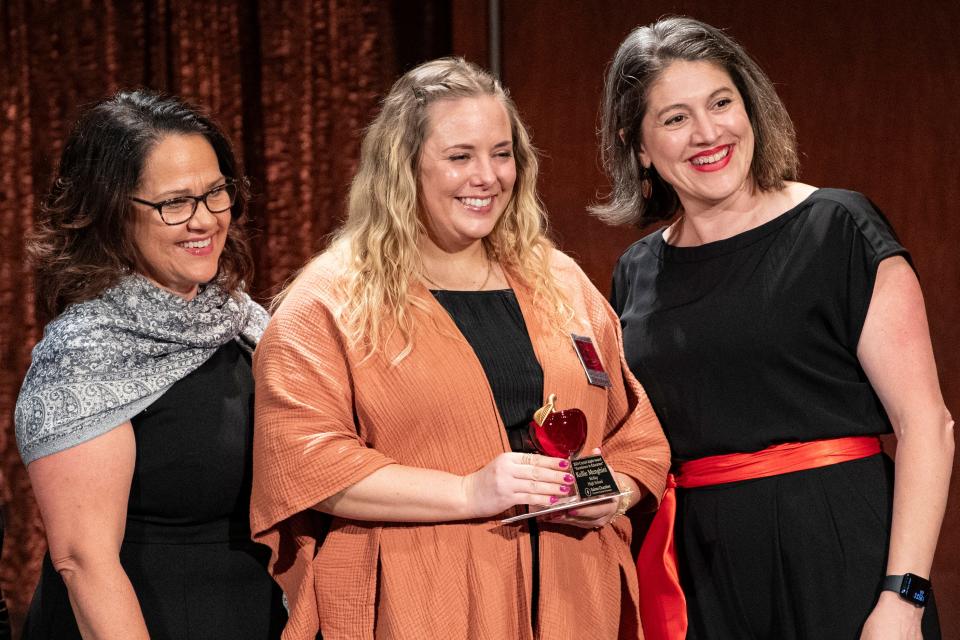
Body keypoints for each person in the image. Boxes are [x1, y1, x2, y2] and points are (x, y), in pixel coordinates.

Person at [250, 57, 671, 639]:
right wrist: (469, 491)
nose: (488, 176)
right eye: (459, 156)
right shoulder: (330, 301)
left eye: (502, 154)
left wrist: (613, 494)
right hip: (421, 602)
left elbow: (636, 434)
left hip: (574, 601)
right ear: (404, 168)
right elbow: (304, 463)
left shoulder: (559, 280)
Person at [594, 16, 953, 640]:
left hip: (842, 559)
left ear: (750, 108)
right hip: (700, 575)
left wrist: (904, 598)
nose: (708, 133)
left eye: (721, 103)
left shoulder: (837, 227)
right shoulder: (636, 272)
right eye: (675, 118)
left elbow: (927, 426)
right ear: (640, 146)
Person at [14, 90, 286, 639]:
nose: (205, 220)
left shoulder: (240, 321)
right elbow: (83, 563)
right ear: (112, 211)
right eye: (174, 203)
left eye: (216, 194)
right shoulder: (85, 353)